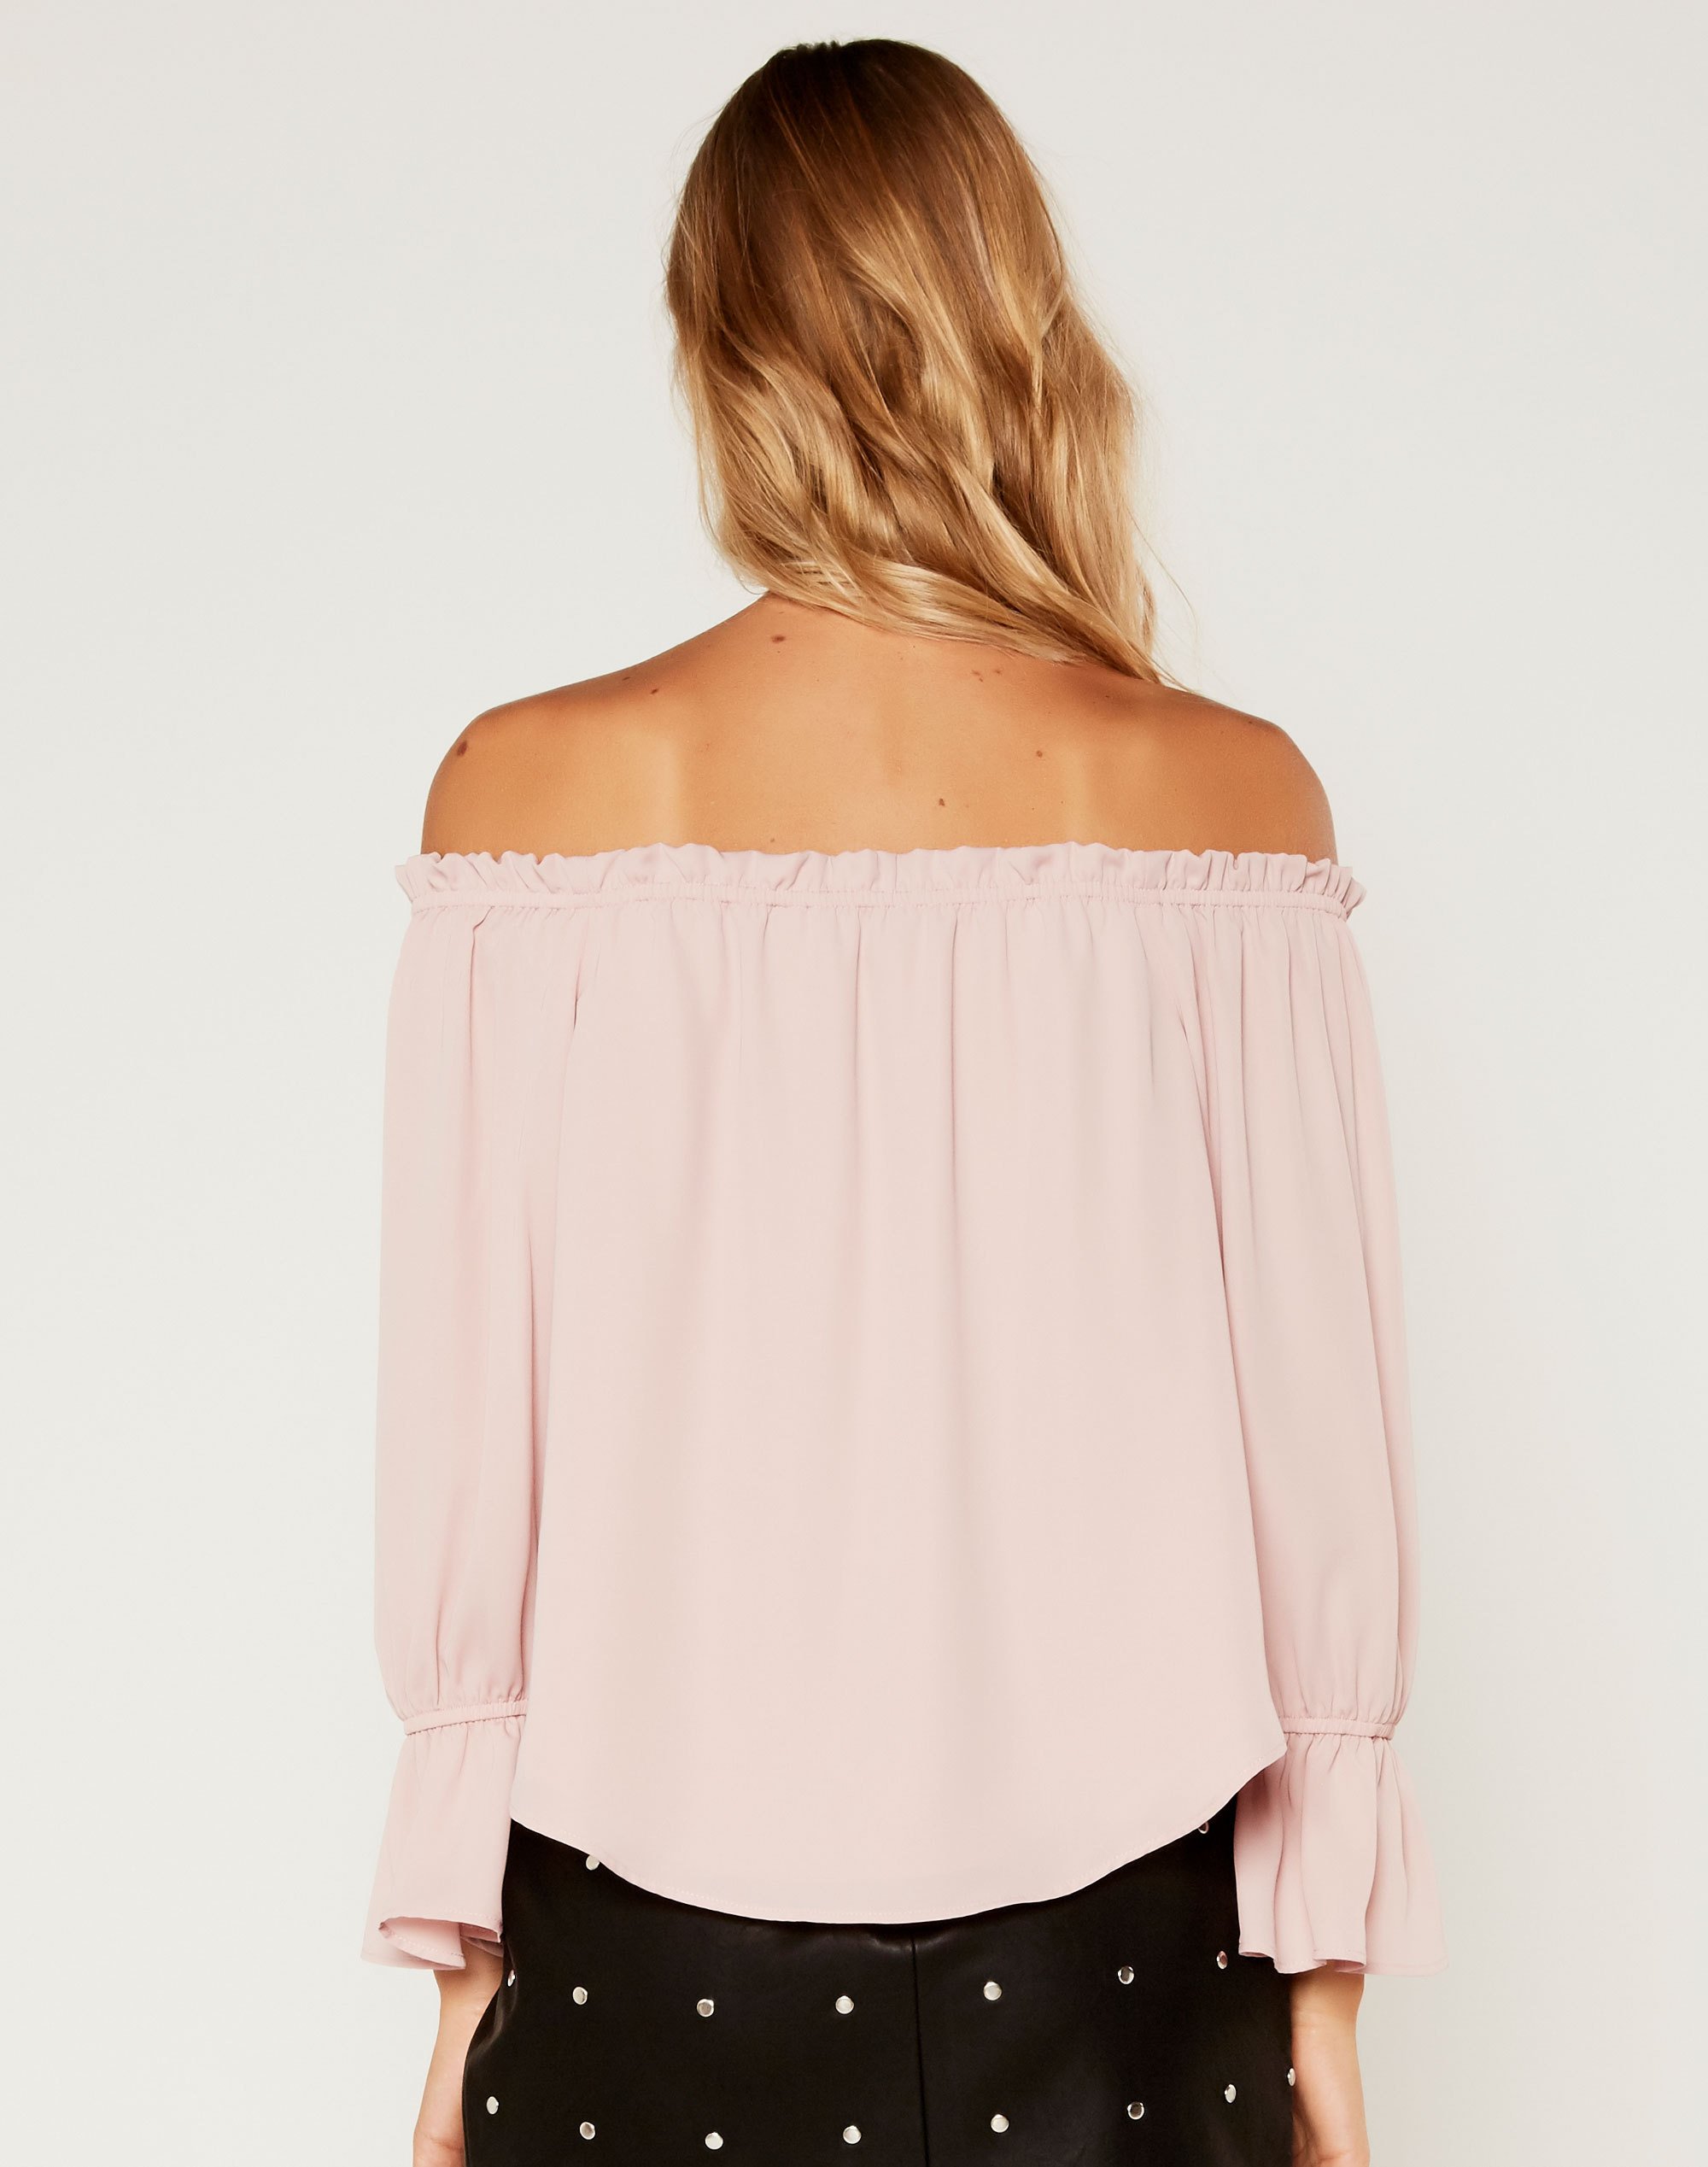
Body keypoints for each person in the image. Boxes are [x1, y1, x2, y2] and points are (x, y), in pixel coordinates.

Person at [361, 38, 1445, 2167]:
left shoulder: (529, 800)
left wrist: (463, 1982)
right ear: (1018, 322)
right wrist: (1324, 1998)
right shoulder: (1223, 802)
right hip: (1137, 1945)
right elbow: (1317, 1443)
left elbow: (470, 1434)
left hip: (629, 1928)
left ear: (716, 345)